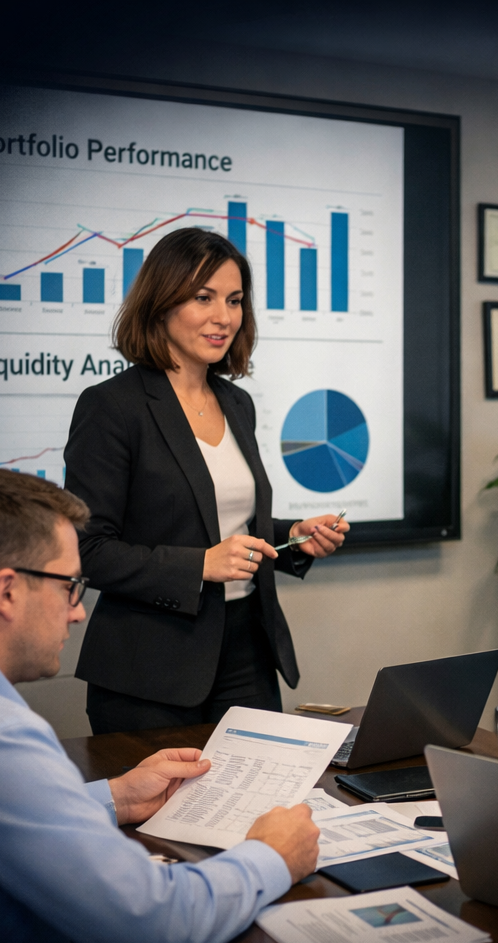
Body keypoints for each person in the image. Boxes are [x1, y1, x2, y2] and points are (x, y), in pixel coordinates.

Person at [0, 468, 321, 943]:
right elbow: (155, 928)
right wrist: (272, 855)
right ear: (7, 591)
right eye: (70, 587)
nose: (77, 614)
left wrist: (117, 797)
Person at [64, 227, 348, 734]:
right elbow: (88, 548)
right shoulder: (112, 407)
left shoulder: (237, 403)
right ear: (161, 302)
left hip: (247, 652)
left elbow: (221, 520)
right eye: (203, 298)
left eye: (235, 301)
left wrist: (297, 536)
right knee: (157, 813)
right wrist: (200, 565)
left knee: (257, 806)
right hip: (151, 665)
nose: (224, 317)